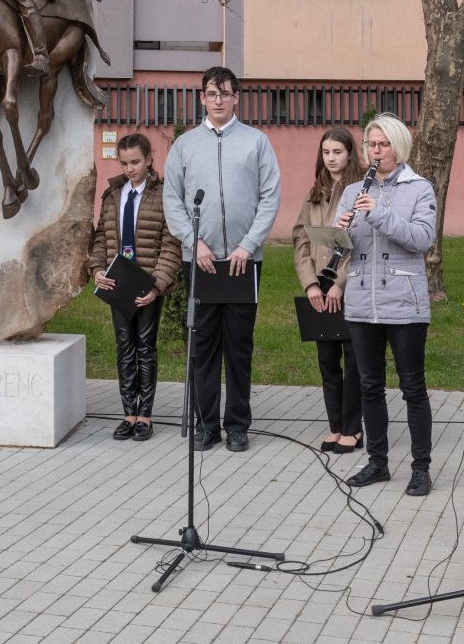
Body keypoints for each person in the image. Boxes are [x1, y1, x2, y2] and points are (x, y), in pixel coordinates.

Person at [160, 66, 281, 452]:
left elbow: (270, 196)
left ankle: (238, 424)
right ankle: (207, 424)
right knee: (203, 345)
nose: (218, 100)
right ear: (202, 97)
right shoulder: (184, 145)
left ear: (236, 98)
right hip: (201, 260)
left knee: (239, 345)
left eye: (225, 94)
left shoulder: (257, 142)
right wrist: (193, 243)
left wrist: (249, 244)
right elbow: (172, 200)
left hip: (244, 260)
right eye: (212, 93)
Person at [335, 113, 438, 497]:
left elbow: (421, 239)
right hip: (362, 300)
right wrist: (339, 233)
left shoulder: (419, 188)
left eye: (383, 145)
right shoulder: (350, 192)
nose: (375, 151)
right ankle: (377, 462)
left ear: (399, 147)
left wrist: (377, 213)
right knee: (369, 386)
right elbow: (340, 246)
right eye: (370, 145)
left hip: (404, 302)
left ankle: (421, 467)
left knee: (413, 387)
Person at [88, 133, 182, 442]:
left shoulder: (163, 194)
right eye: (124, 163)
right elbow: (101, 236)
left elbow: (171, 244)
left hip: (147, 284)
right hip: (119, 283)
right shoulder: (114, 194)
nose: (130, 169)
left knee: (146, 348)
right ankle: (128, 413)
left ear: (149, 159)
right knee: (124, 348)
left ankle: (146, 415)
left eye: (136, 162)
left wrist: (157, 285)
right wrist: (97, 269)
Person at [292, 128, 364, 454]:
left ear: (350, 153)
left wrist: (340, 284)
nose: (331, 158)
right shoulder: (315, 193)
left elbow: (362, 244)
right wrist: (310, 283)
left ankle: (353, 428)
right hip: (320, 288)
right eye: (326, 152)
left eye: (337, 151)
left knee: (354, 359)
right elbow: (301, 240)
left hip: (351, 287)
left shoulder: (362, 190)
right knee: (327, 360)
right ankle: (335, 426)